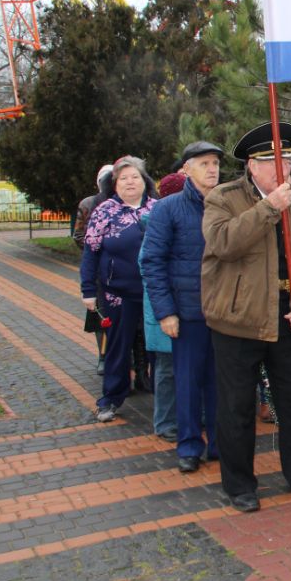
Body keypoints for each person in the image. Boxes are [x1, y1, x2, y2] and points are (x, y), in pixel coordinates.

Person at [201, 121, 291, 511]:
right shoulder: (223, 199)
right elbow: (223, 244)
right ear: (251, 166)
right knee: (237, 406)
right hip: (238, 319)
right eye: (272, 160)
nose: (283, 168)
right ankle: (240, 485)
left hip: (288, 317)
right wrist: (268, 208)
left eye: (287, 159)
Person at [142, 144, 223, 473]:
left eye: (216, 163)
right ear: (186, 170)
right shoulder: (169, 209)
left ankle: (220, 443)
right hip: (187, 313)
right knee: (188, 383)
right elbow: (152, 262)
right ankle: (189, 445)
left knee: (222, 383)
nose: (212, 169)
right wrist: (166, 312)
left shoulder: (228, 205)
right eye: (204, 163)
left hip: (225, 313)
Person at [80, 156, 158, 422]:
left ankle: (164, 395)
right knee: (117, 346)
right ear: (114, 184)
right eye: (123, 178)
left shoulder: (158, 208)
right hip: (117, 293)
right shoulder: (104, 211)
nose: (130, 182)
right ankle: (111, 398)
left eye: (134, 176)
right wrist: (88, 290)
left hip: (154, 292)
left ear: (144, 180)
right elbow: (90, 251)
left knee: (159, 347)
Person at [139, 171, 187, 444]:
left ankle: (191, 415)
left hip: (188, 306)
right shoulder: (156, 223)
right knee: (167, 370)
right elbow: (147, 265)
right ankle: (165, 421)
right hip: (165, 308)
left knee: (189, 368)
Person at [75, 163, 113, 375]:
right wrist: (97, 249)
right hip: (99, 271)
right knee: (100, 317)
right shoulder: (89, 204)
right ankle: (102, 356)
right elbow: (78, 235)